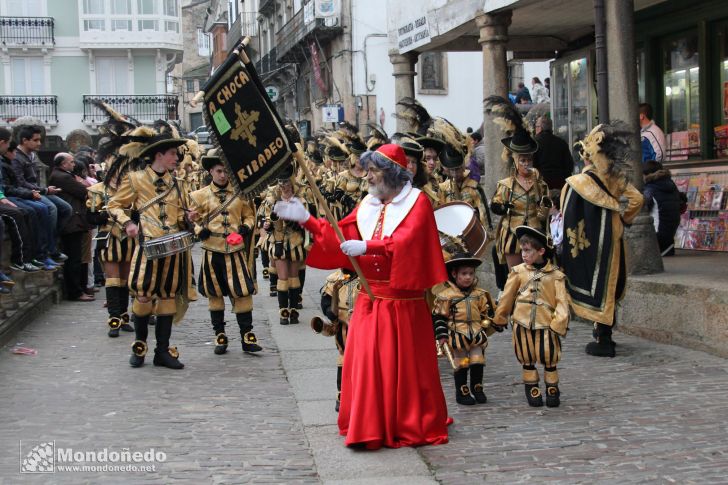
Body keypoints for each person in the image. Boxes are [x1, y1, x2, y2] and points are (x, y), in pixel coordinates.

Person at [273, 144, 450, 450]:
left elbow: (406, 242)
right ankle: (369, 424)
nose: (367, 177)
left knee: (403, 371)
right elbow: (341, 235)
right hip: (370, 301)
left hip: (402, 305)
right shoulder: (368, 202)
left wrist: (369, 247)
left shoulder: (417, 202)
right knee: (367, 363)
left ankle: (402, 422)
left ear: (392, 175)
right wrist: (307, 220)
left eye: (374, 171)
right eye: (367, 170)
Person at [107, 133, 197, 369]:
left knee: (167, 297)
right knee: (144, 295)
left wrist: (188, 218)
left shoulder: (178, 183)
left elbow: (179, 215)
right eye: (172, 154)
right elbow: (114, 205)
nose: (177, 158)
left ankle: (162, 352)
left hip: (172, 249)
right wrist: (128, 223)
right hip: (147, 249)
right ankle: (139, 346)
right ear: (159, 155)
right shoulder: (135, 179)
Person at [560, 122, 643, 358]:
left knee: (595, 279)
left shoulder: (576, 182)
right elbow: (637, 200)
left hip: (587, 240)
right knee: (610, 280)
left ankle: (601, 337)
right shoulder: (616, 176)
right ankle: (605, 333)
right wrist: (625, 219)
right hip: (613, 235)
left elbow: (567, 216)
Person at [189, 152, 261, 354]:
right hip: (212, 252)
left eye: (226, 171)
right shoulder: (199, 195)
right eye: (219, 171)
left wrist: (245, 229)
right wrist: (198, 230)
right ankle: (219, 336)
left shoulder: (242, 193)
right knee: (215, 294)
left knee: (243, 293)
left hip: (235, 252)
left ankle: (247, 337)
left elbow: (249, 216)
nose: (223, 175)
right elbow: (190, 219)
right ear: (211, 171)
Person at [493, 226, 570, 407]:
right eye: (522, 250)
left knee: (549, 356)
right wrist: (500, 318)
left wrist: (558, 323)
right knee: (526, 356)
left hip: (546, 324)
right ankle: (532, 388)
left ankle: (552, 389)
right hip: (522, 322)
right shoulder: (518, 272)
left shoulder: (556, 275)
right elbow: (507, 297)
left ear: (541, 251)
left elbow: (562, 302)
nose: (524, 254)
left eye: (528, 250)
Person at [432, 252, 498, 406]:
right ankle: (462, 392)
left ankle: (477, 388)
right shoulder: (446, 296)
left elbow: (486, 313)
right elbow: (438, 317)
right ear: (454, 274)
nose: (468, 277)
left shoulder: (479, 294)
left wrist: (492, 321)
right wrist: (442, 336)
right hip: (457, 335)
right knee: (462, 363)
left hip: (476, 333)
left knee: (477, 360)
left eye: (471, 273)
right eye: (464, 274)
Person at [490, 129, 550, 270]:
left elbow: (545, 208)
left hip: (535, 231)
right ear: (516, 161)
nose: (526, 164)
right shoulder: (506, 184)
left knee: (537, 275)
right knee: (516, 276)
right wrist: (503, 207)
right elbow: (495, 205)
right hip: (513, 234)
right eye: (523, 160)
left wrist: (545, 206)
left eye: (529, 160)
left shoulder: (540, 183)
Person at [260, 163, 310, 325]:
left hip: (295, 241)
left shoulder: (301, 198)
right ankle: (283, 311)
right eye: (281, 183)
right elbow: (266, 219)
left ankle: (294, 309)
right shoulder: (271, 199)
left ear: (292, 182)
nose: (284, 187)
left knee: (294, 277)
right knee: (282, 277)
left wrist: (298, 221)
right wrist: (267, 224)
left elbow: (308, 220)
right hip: (278, 241)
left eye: (287, 183)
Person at [13, 125, 71, 263]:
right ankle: (47, 250)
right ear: (24, 140)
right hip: (26, 193)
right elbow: (20, 183)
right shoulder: (16, 157)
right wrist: (44, 190)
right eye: (36, 140)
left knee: (66, 208)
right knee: (51, 208)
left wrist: (44, 189)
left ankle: (52, 240)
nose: (39, 143)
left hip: (38, 190)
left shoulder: (31, 155)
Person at [1, 141, 58, 271]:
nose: (15, 154)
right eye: (13, 152)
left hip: (19, 194)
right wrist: (34, 193)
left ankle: (43, 252)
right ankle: (29, 257)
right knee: (34, 210)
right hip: (15, 195)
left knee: (45, 208)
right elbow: (10, 187)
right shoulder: (9, 163)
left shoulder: (10, 162)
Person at [310, 268, 360, 412]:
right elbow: (331, 315)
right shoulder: (333, 280)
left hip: (364, 327)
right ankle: (342, 395)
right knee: (344, 359)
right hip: (343, 331)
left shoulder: (367, 276)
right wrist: (337, 291)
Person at [48, 153, 93, 301]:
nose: (74, 165)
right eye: (71, 162)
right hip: (71, 222)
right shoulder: (63, 177)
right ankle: (75, 292)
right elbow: (84, 192)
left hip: (74, 220)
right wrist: (81, 183)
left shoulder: (63, 175)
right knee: (73, 258)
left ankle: (78, 289)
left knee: (76, 257)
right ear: (63, 164)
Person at [439, 144, 491, 229]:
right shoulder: (444, 188)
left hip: (472, 230)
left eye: (457, 169)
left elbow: (484, 214)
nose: (455, 173)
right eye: (452, 170)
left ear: (463, 167)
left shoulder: (474, 187)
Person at [643, 161, 681, 257]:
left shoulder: (650, 188)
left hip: (656, 236)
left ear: (646, 175)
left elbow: (643, 208)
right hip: (670, 237)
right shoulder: (672, 185)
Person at [534, 116, 574, 190]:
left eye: (536, 126)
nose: (535, 129)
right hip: (561, 184)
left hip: (541, 185)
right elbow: (570, 166)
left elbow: (532, 166)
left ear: (540, 128)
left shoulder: (534, 143)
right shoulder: (562, 142)